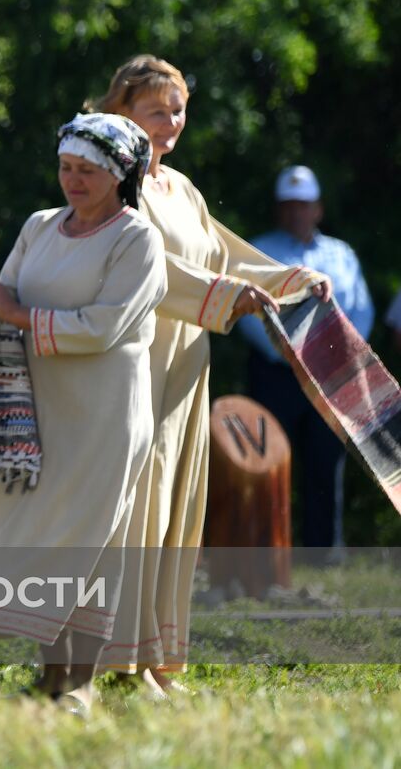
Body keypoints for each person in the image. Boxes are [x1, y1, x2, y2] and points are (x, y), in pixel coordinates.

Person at [90, 56, 331, 693]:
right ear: (121, 114)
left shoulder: (183, 190)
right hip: (137, 358)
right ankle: (121, 656)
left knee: (178, 503)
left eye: (177, 110)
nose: (169, 123)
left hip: (188, 360)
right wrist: (229, 298)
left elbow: (227, 260)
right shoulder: (115, 186)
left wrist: (291, 281)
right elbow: (155, 274)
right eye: (155, 110)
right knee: (139, 501)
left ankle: (161, 658)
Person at [0, 112, 166, 716]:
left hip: (105, 411)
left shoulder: (138, 239)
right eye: (65, 167)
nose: (71, 181)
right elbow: (0, 298)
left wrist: (15, 312)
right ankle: (52, 676)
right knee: (48, 533)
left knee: (93, 540)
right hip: (39, 407)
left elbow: (106, 325)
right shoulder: (38, 226)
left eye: (86, 171)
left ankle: (81, 681)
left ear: (119, 175)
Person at [236, 166, 373, 553]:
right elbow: (248, 314)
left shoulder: (340, 254)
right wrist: (288, 352)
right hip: (275, 373)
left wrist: (338, 354)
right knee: (267, 462)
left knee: (325, 462)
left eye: (304, 205)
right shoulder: (259, 251)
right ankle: (262, 554)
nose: (297, 213)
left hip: (331, 377)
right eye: (289, 205)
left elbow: (361, 310)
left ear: (319, 209)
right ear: (280, 210)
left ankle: (323, 552)